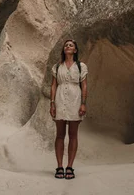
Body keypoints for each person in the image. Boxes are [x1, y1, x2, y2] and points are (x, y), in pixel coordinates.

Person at [50, 39, 88, 180]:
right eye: (66, 45)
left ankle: (70, 167)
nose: (68, 46)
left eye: (71, 45)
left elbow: (84, 85)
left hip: (75, 100)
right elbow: (53, 85)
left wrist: (83, 103)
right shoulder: (57, 66)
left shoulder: (81, 66)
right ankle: (59, 166)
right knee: (60, 135)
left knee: (73, 135)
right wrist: (52, 103)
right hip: (60, 99)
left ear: (75, 50)